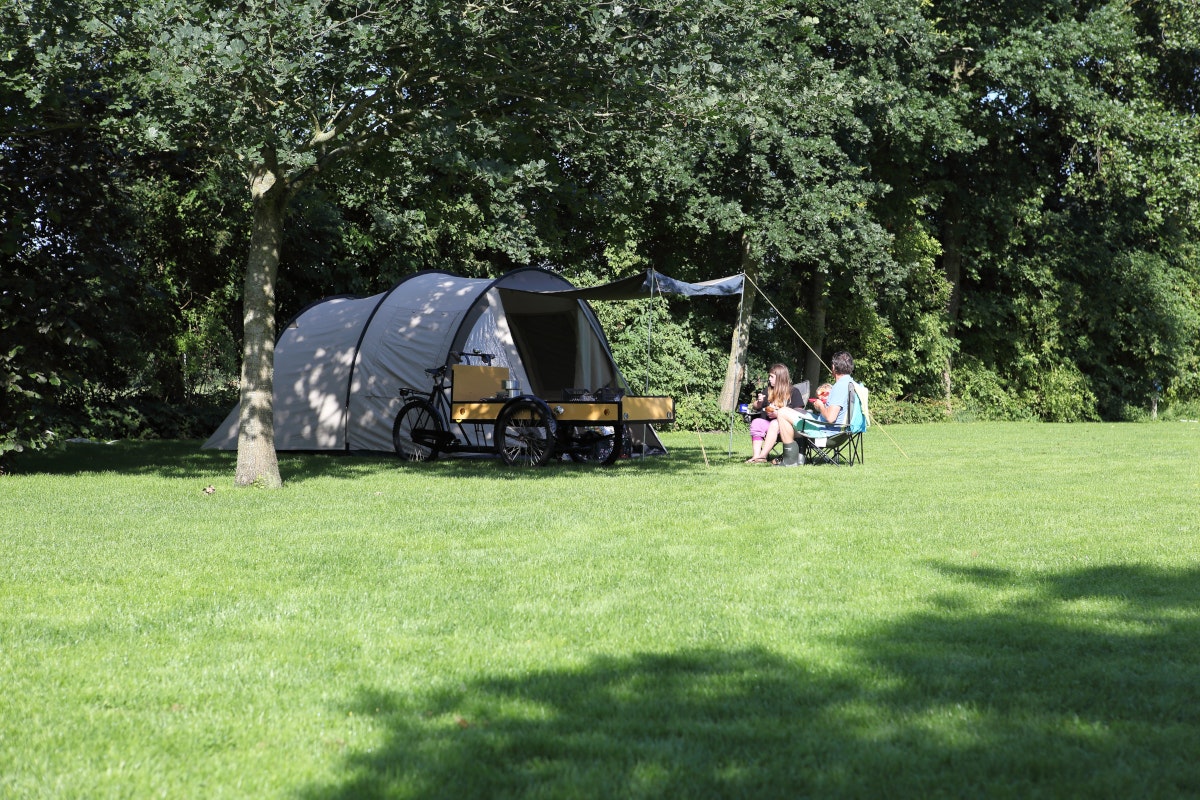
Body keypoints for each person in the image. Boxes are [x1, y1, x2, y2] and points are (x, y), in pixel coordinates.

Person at [773, 350, 855, 467]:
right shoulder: (850, 383)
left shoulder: (839, 387)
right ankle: (799, 458)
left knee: (782, 412)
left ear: (833, 367)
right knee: (798, 412)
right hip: (839, 431)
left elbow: (831, 418)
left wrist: (820, 406)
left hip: (828, 432)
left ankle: (790, 460)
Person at [745, 363, 806, 463]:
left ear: (780, 378)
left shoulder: (793, 392)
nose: (769, 379)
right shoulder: (768, 390)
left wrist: (778, 414)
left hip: (785, 426)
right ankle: (756, 456)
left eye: (772, 377)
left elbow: (798, 412)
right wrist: (759, 402)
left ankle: (762, 456)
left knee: (775, 423)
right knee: (756, 422)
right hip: (768, 422)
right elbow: (755, 406)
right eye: (769, 376)